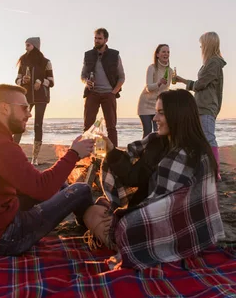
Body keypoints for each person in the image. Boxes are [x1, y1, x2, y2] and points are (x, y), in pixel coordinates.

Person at [82, 89, 225, 269]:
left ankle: (127, 246)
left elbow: (174, 206)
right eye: (156, 112)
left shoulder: (193, 154)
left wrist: (123, 217)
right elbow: (133, 176)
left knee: (117, 224)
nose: (155, 119)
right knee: (93, 211)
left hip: (177, 228)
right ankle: (127, 241)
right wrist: (111, 151)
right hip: (147, 214)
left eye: (161, 113)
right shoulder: (156, 143)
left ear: (178, 115)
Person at [0, 84, 95, 256]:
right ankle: (95, 228)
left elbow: (32, 184)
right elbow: (42, 189)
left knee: (62, 187)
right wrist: (74, 154)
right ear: (5, 108)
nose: (29, 113)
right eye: (24, 108)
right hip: (1, 240)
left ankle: (89, 223)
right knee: (81, 189)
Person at [175, 32, 226, 181]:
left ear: (208, 44)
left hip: (206, 106)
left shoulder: (214, 63)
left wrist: (184, 82)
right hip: (201, 106)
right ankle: (202, 169)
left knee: (209, 138)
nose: (200, 47)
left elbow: (201, 84)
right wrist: (182, 80)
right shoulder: (210, 62)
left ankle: (215, 171)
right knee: (200, 139)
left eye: (202, 44)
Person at [81, 28, 125, 147]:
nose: (96, 41)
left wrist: (113, 92)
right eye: (95, 38)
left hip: (108, 94)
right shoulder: (88, 55)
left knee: (111, 127)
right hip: (92, 93)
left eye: (99, 38)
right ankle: (86, 154)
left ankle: (114, 156)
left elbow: (122, 77)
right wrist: (86, 82)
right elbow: (83, 75)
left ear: (106, 40)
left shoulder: (114, 55)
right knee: (88, 126)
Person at [13, 37, 54, 165]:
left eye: (28, 45)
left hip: (41, 97)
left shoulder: (45, 62)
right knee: (20, 122)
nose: (26, 48)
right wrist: (22, 81)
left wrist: (41, 82)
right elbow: (17, 80)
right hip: (26, 97)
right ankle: (13, 152)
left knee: (38, 124)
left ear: (35, 46)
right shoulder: (23, 61)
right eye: (25, 45)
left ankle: (34, 158)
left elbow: (52, 81)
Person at [137, 44, 171, 138]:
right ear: (157, 54)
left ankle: (158, 152)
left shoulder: (170, 71)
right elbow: (148, 88)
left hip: (158, 106)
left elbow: (166, 89)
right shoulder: (152, 68)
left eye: (168, 52)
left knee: (159, 132)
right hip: (145, 104)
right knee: (147, 131)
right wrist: (159, 83)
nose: (166, 54)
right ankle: (144, 152)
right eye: (163, 52)